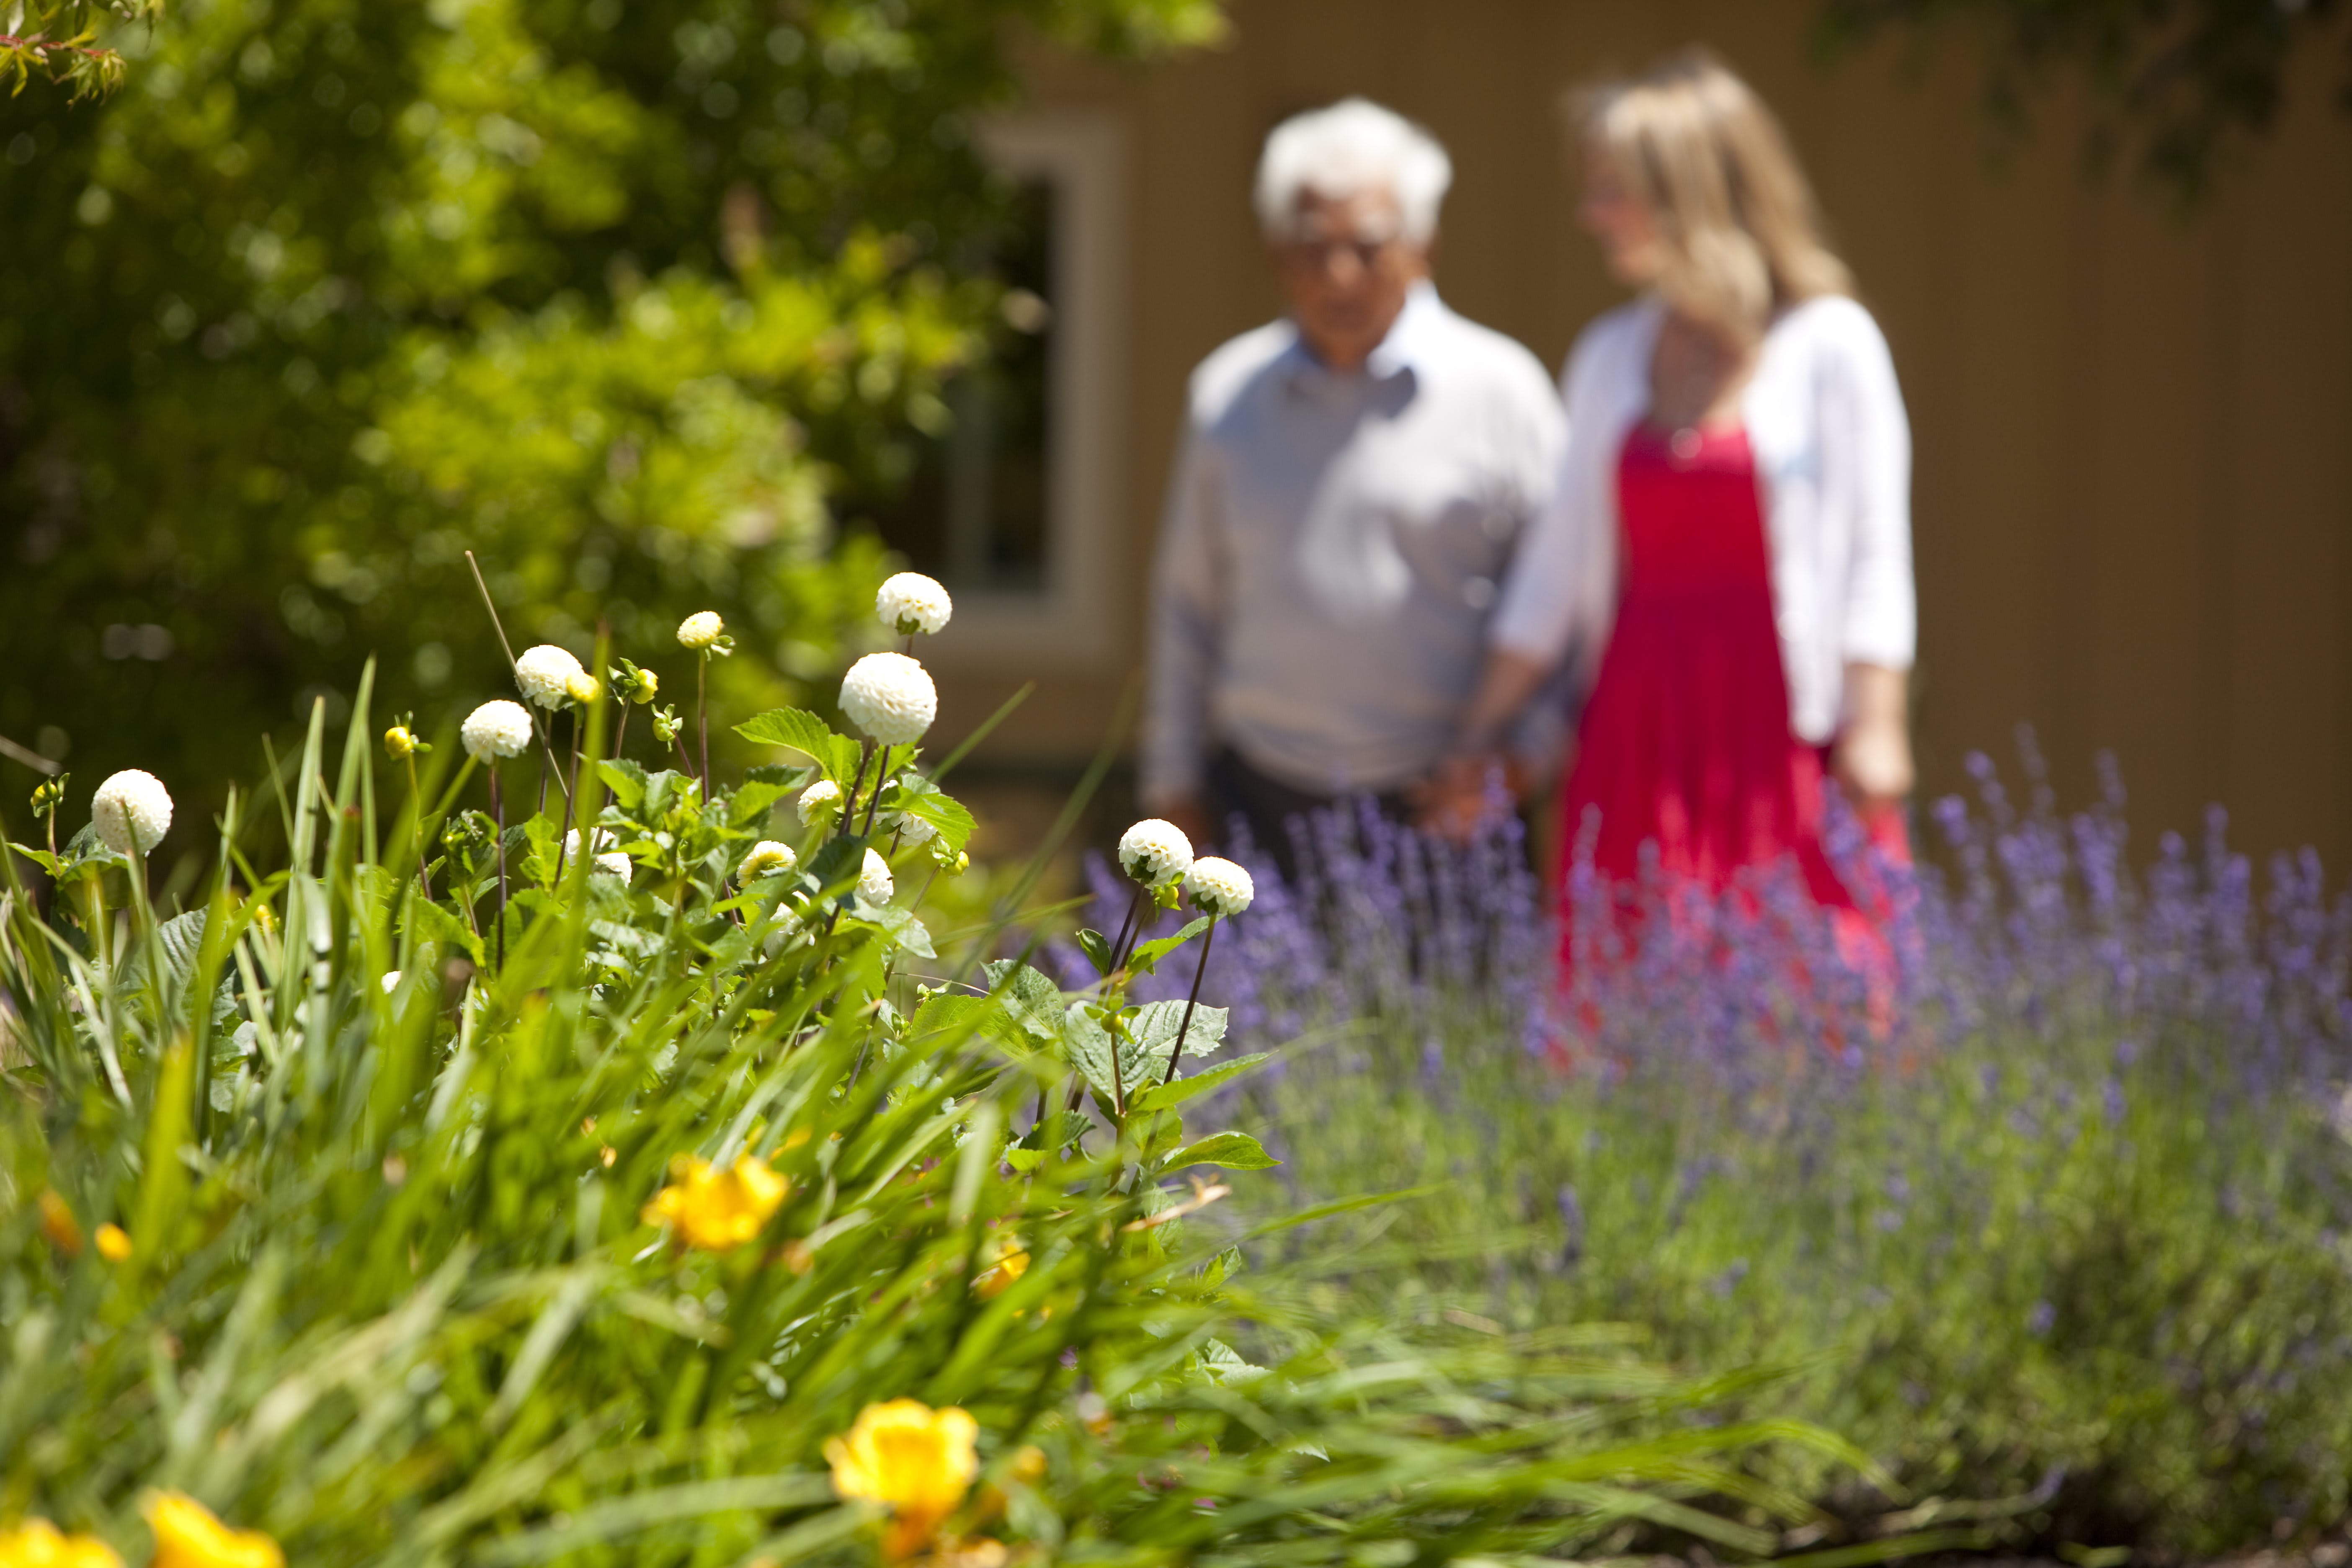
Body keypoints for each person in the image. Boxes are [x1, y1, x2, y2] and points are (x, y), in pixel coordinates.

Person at [1437, 50, 1916, 951]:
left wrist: (1880, 726)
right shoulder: (1611, 352)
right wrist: (1477, 731)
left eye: (1612, 189)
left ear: (1691, 194)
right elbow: (1553, 568)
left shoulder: (1832, 344)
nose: (1590, 215)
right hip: (1638, 725)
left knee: (1810, 985)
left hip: (1785, 732)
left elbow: (1874, 549)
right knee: (1632, 983)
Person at [1141, 98, 1567, 876]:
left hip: (1451, 811)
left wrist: (1527, 759)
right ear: (1276, 251)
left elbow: (1565, 603)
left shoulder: (1504, 391)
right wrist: (1171, 787)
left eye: (1368, 247)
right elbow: (1186, 606)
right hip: (1256, 800)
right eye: (1313, 247)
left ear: (1423, 247)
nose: (1338, 275)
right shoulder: (1228, 394)